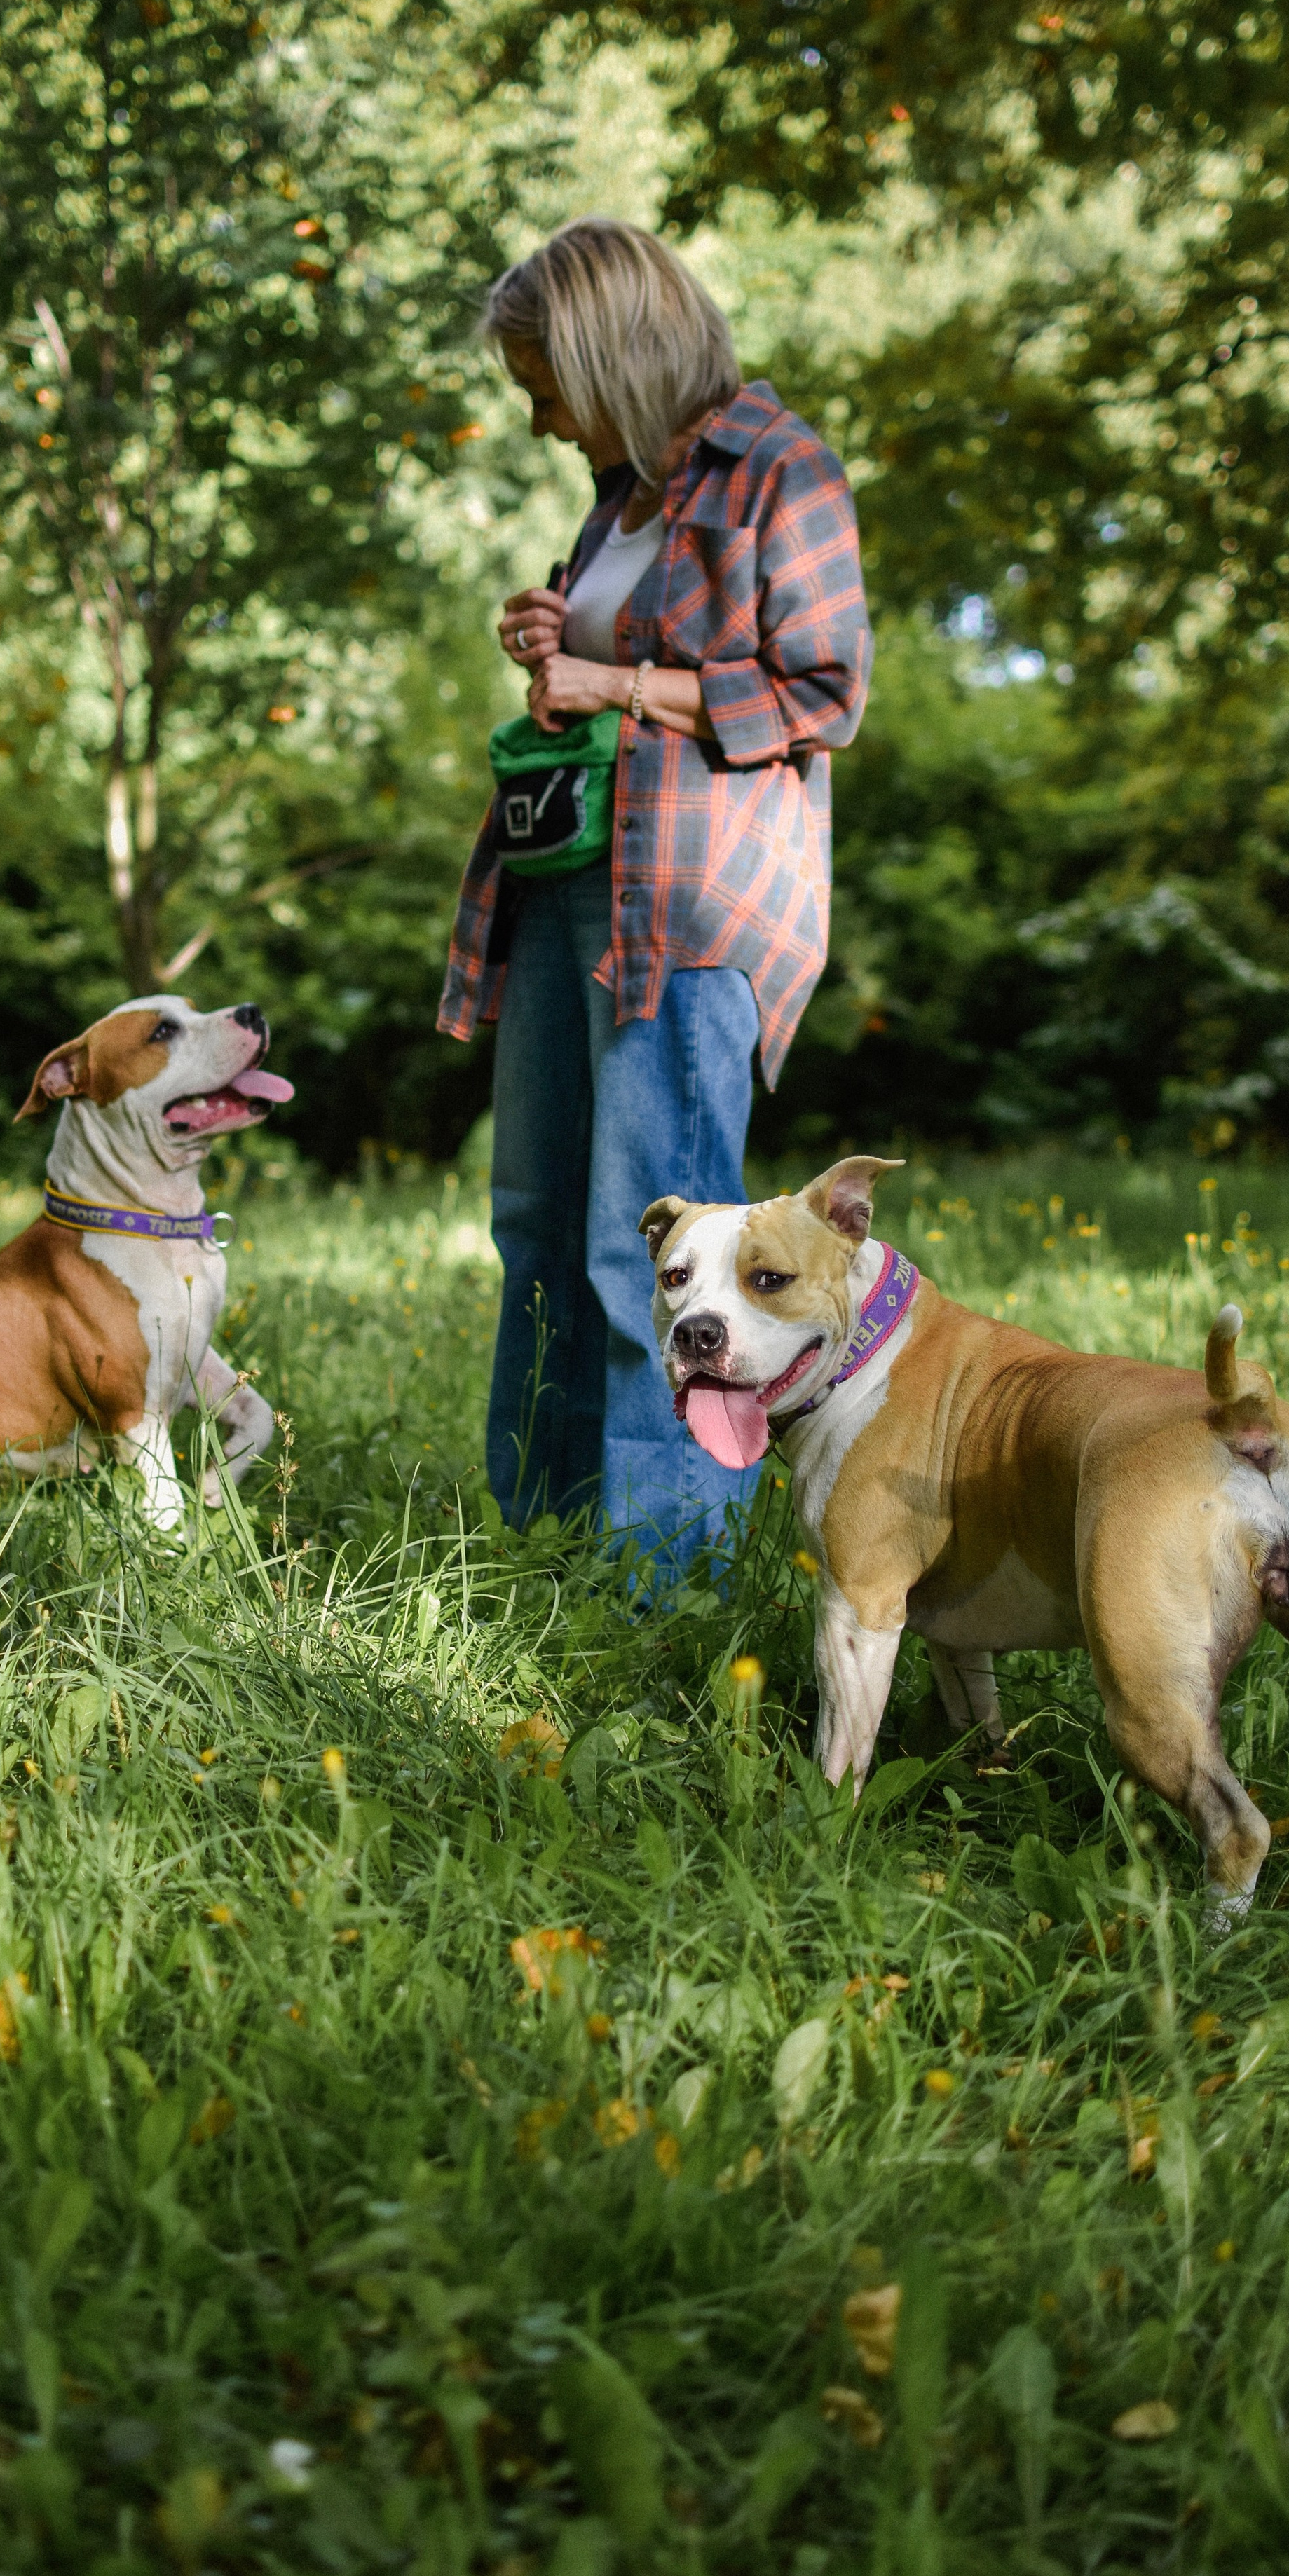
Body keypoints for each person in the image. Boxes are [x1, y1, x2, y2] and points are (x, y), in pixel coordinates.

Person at [437, 217, 872, 1570]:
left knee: (662, 1261)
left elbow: (825, 693)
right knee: (539, 1228)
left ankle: (663, 1576)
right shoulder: (620, 495)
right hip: (576, 889)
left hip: (691, 916)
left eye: (545, 388)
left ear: (609, 358)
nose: (539, 420)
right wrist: (555, 634)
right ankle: (545, 1530)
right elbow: (618, 682)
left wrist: (613, 681)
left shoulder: (780, 471)